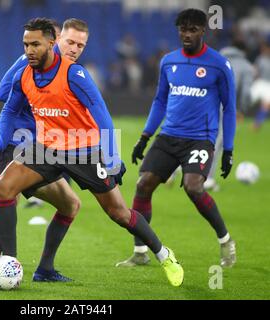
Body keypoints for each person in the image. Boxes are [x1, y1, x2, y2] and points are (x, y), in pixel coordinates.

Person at [0, 18, 184, 287]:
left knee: (118, 213)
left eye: (35, 44)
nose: (29, 50)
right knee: (3, 188)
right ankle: (10, 266)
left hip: (84, 151)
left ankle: (164, 254)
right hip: (46, 148)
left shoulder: (73, 74)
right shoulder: (24, 73)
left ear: (50, 43)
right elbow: (10, 109)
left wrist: (113, 157)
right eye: (25, 44)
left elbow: (102, 115)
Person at [116, 9, 237, 268]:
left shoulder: (219, 64)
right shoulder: (169, 61)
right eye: (183, 29)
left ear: (203, 31)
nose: (186, 34)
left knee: (193, 187)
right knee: (143, 184)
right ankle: (140, 252)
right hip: (169, 136)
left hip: (200, 139)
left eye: (192, 29)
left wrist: (228, 150)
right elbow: (160, 100)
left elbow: (229, 108)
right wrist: (144, 137)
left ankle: (225, 240)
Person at [0, 19, 93, 283]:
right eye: (69, 42)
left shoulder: (66, 72)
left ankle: (44, 270)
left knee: (71, 204)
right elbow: (2, 95)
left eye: (79, 44)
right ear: (55, 41)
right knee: (7, 194)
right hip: (12, 143)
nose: (73, 48)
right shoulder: (29, 63)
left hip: (39, 148)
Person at [204, 40, 255, 191]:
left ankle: (181, 168)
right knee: (217, 141)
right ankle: (207, 178)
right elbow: (245, 92)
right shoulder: (246, 66)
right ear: (244, 51)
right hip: (224, 105)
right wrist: (242, 109)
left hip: (202, 100)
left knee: (196, 136)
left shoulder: (216, 58)